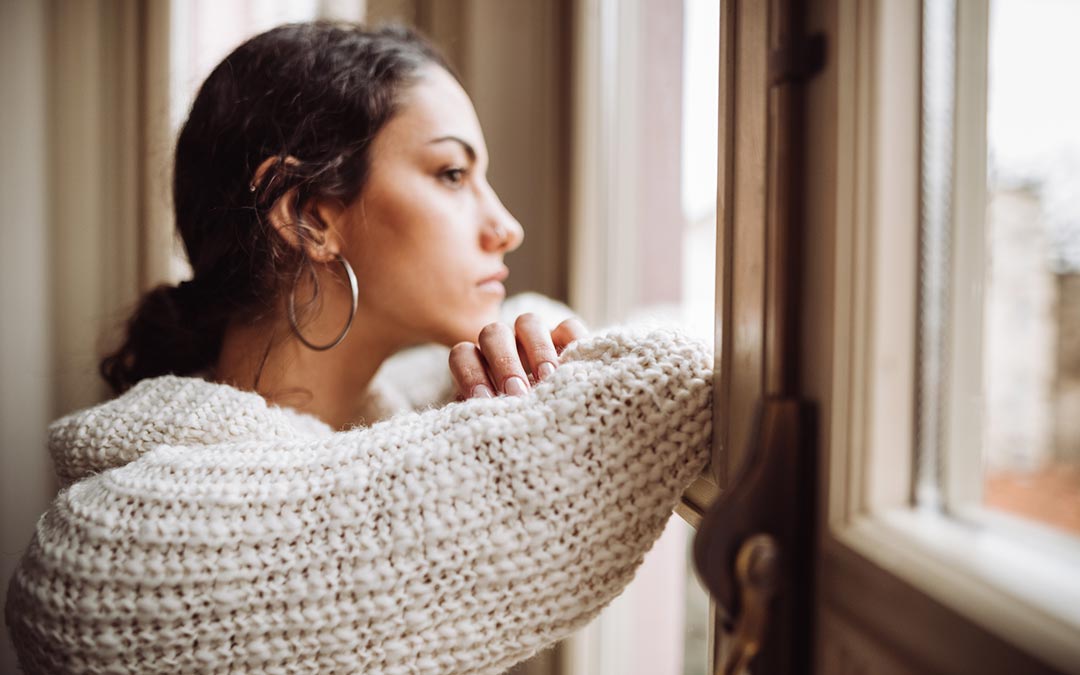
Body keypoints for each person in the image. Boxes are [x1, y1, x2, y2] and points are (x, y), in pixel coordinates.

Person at [5, 22, 713, 674]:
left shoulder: (393, 423)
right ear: (310, 216)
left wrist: (538, 347)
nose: (506, 225)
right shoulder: (111, 547)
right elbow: (656, 389)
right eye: (452, 174)